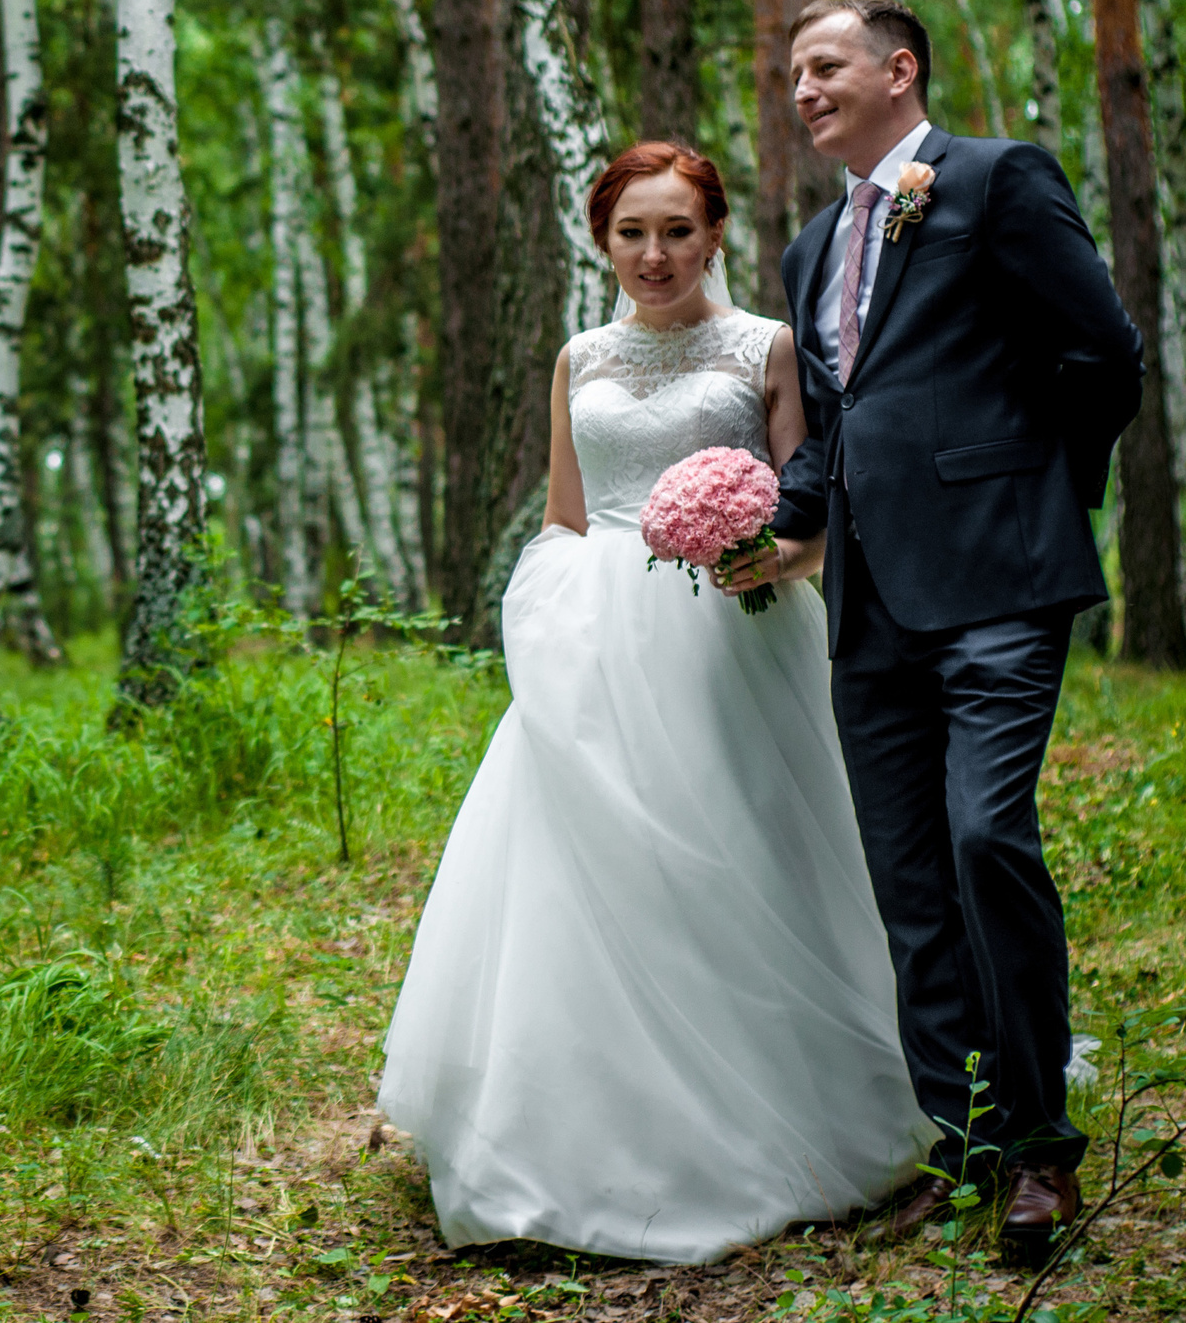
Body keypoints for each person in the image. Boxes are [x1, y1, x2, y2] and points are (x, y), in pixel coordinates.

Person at [377, 142, 930, 1265]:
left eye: (677, 229)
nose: (655, 253)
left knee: (737, 854)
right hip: (590, 635)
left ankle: (787, 1107)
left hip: (730, 632)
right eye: (632, 231)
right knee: (582, 876)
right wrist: (544, 628)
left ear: (714, 233)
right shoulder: (578, 355)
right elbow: (564, 515)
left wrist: (766, 556)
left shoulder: (763, 346)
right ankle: (567, 1137)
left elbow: (810, 506)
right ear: (602, 241)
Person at [723, 0, 1142, 1259]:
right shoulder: (806, 252)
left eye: (826, 65)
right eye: (791, 73)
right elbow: (839, 426)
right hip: (870, 598)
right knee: (906, 878)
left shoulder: (993, 180)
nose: (802, 89)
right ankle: (957, 1138)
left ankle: (1039, 1149)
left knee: (983, 836)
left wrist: (1030, 494)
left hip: (1000, 584)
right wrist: (767, 515)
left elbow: (1103, 352)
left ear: (898, 70)